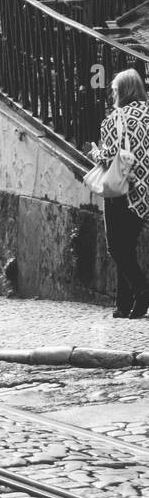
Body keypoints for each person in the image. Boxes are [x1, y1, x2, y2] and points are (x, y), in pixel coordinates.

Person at [92, 70, 149, 318]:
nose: (112, 94)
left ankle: (142, 290)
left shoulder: (114, 119)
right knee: (127, 245)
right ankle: (124, 305)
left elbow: (108, 156)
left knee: (116, 246)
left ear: (122, 91)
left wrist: (95, 153)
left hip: (123, 189)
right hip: (145, 191)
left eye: (114, 90)